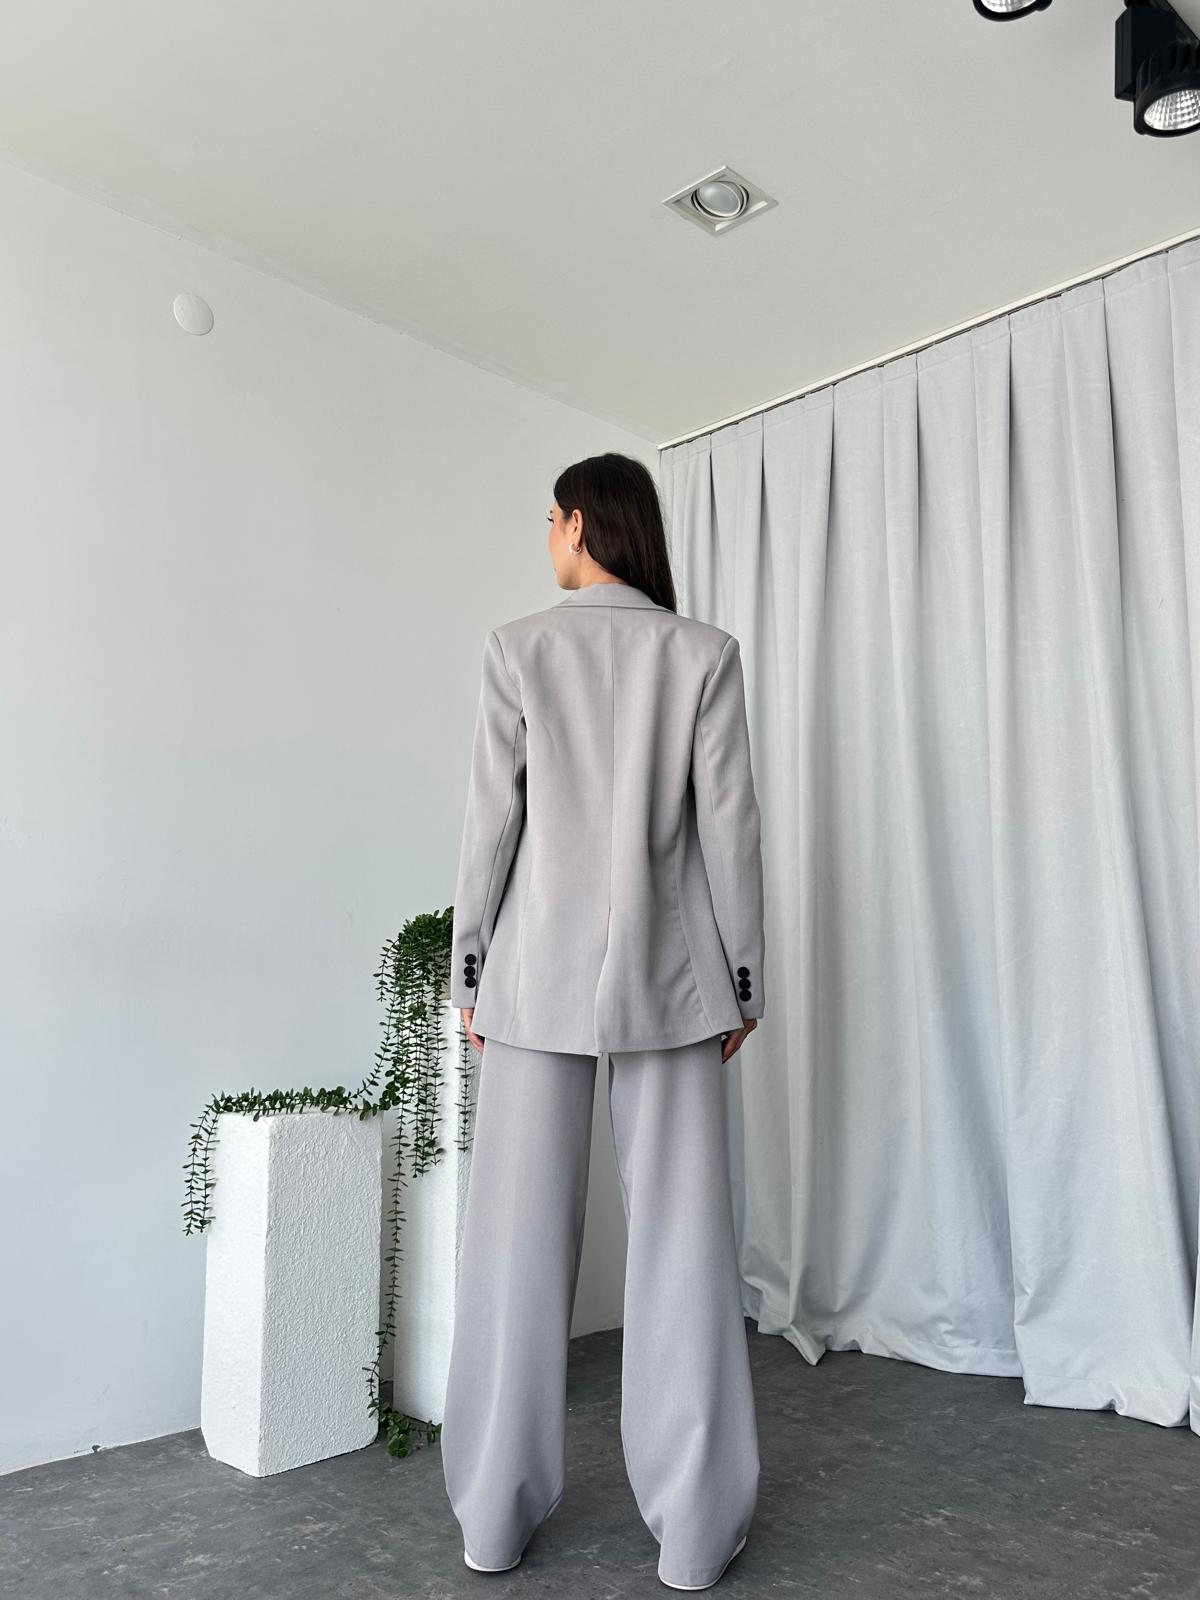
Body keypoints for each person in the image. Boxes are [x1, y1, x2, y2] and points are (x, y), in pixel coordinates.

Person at [440, 451, 765, 1591]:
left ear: (580, 525)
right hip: (673, 987)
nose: (547, 537)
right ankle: (694, 1534)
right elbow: (731, 834)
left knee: (512, 1249)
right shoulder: (704, 654)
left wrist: (471, 972)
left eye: (550, 519)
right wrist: (742, 981)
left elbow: (492, 828)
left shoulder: (518, 647)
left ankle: (492, 1520)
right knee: (685, 1248)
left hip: (534, 982)